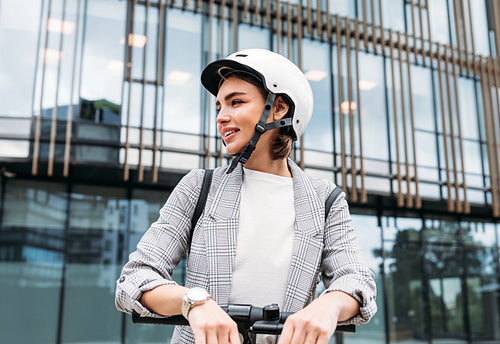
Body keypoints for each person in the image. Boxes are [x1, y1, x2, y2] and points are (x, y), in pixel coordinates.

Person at [115, 49, 377, 344]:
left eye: (236, 102)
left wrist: (329, 305)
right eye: (218, 106)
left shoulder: (325, 199)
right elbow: (135, 279)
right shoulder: (199, 186)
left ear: (278, 109)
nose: (221, 117)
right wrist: (194, 303)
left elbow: (357, 281)